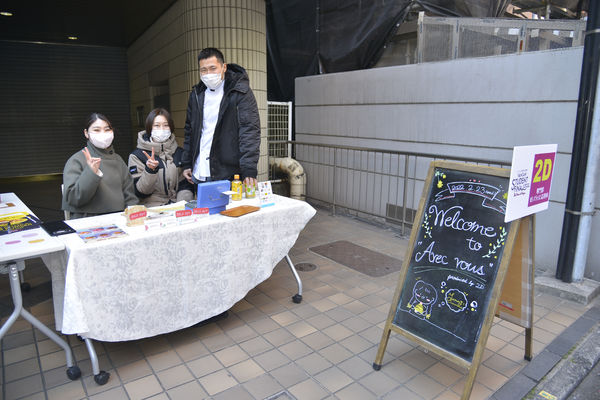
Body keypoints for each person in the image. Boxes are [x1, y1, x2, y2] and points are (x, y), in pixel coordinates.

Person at [181, 47, 260, 189]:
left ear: (224, 67)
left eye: (213, 68)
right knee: (203, 211)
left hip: (227, 172)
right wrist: (187, 163)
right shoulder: (196, 95)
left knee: (227, 210)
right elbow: (189, 131)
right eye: (203, 70)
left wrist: (249, 168)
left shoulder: (240, 91)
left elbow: (249, 130)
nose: (208, 74)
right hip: (200, 171)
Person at [62, 113, 137, 219]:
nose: (103, 134)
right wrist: (91, 173)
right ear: (86, 133)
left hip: (120, 218)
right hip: (87, 219)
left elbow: (130, 196)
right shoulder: (76, 160)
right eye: (96, 130)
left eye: (107, 129)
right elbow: (73, 199)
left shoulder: (118, 160)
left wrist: (132, 215)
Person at [128, 108, 194, 207]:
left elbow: (185, 184)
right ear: (149, 128)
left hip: (178, 207)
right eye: (157, 126)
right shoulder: (137, 156)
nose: (162, 129)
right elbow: (140, 192)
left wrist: (181, 205)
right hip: (152, 210)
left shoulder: (179, 152)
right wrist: (150, 170)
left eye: (166, 125)